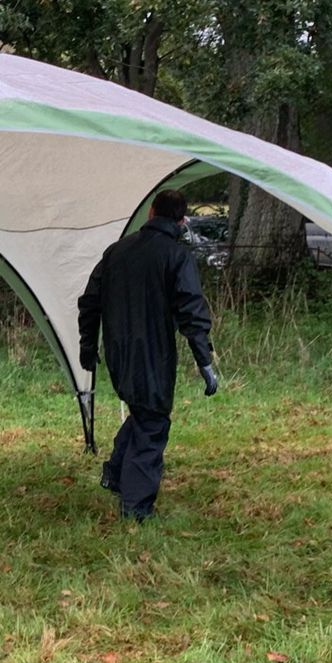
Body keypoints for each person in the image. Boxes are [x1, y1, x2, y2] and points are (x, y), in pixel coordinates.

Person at [77, 189, 219, 522]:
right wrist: (205, 361)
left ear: (151, 213)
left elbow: (89, 302)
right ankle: (136, 507)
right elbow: (191, 311)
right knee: (153, 421)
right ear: (182, 221)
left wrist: (88, 345)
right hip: (153, 354)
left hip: (118, 352)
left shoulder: (116, 252)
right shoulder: (176, 256)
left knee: (143, 412)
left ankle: (115, 472)